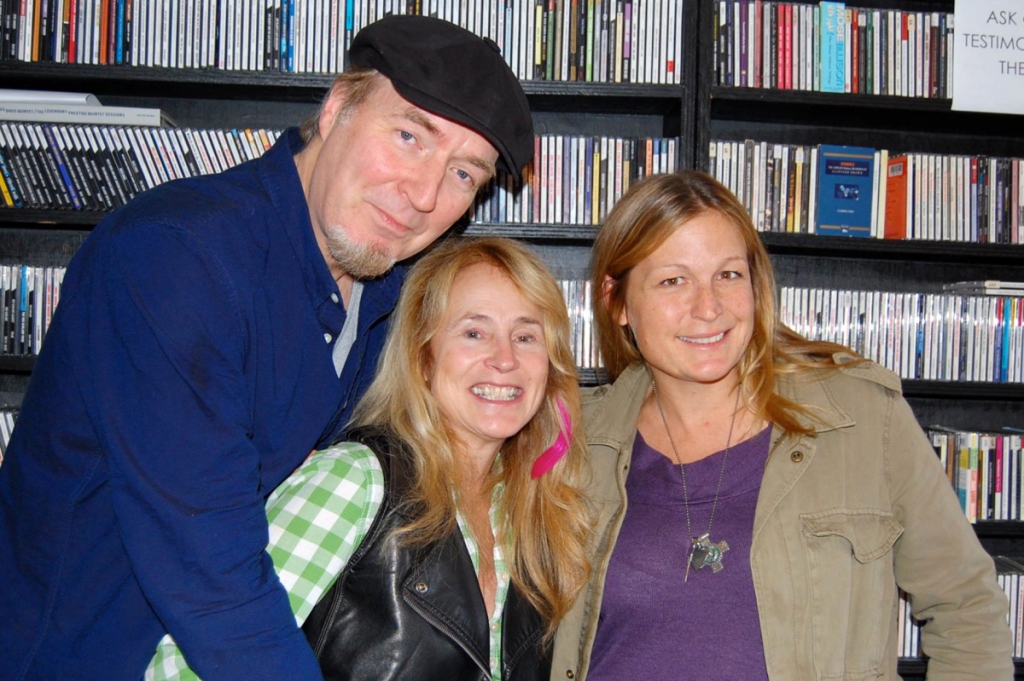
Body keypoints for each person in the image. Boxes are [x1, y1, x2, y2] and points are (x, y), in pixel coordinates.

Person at [0, 15, 534, 681]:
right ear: (337, 107)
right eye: (408, 138)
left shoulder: (387, 294)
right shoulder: (178, 257)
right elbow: (212, 579)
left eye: (463, 174)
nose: (424, 194)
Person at [550, 171, 1014, 680]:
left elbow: (967, 609)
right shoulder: (573, 439)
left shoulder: (860, 418)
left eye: (728, 274)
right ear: (616, 300)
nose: (708, 307)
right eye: (672, 280)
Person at [148, 236, 592, 680]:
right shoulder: (354, 481)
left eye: (526, 336)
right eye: (474, 332)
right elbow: (186, 667)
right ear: (422, 356)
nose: (504, 359)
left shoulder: (529, 512)